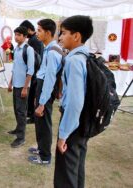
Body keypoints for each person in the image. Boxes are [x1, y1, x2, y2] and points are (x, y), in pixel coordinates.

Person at [54, 15, 93, 188]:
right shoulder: (86, 56)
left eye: (63, 33)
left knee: (66, 172)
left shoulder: (73, 60)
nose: (60, 37)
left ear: (76, 36)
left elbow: (75, 101)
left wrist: (63, 135)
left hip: (73, 123)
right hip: (83, 121)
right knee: (77, 167)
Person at [28, 19, 62, 165]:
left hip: (45, 89)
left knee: (44, 122)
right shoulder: (48, 48)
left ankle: (45, 157)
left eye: (40, 30)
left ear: (48, 33)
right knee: (39, 121)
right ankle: (41, 148)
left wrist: (42, 102)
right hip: (41, 87)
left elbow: (50, 80)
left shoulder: (53, 52)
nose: (37, 33)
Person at [7, 26, 34, 148]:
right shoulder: (17, 49)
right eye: (15, 34)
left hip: (23, 86)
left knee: (21, 111)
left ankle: (21, 138)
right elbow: (15, 68)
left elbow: (30, 70)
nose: (16, 37)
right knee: (16, 109)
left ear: (24, 36)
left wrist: (25, 87)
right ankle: (18, 129)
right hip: (16, 84)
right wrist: (10, 83)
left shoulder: (28, 50)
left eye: (18, 35)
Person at [19, 20, 44, 124]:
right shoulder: (35, 39)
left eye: (25, 32)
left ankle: (32, 116)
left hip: (35, 72)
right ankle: (30, 114)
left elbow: (34, 59)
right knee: (33, 94)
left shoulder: (34, 41)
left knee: (33, 94)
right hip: (36, 71)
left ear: (29, 30)